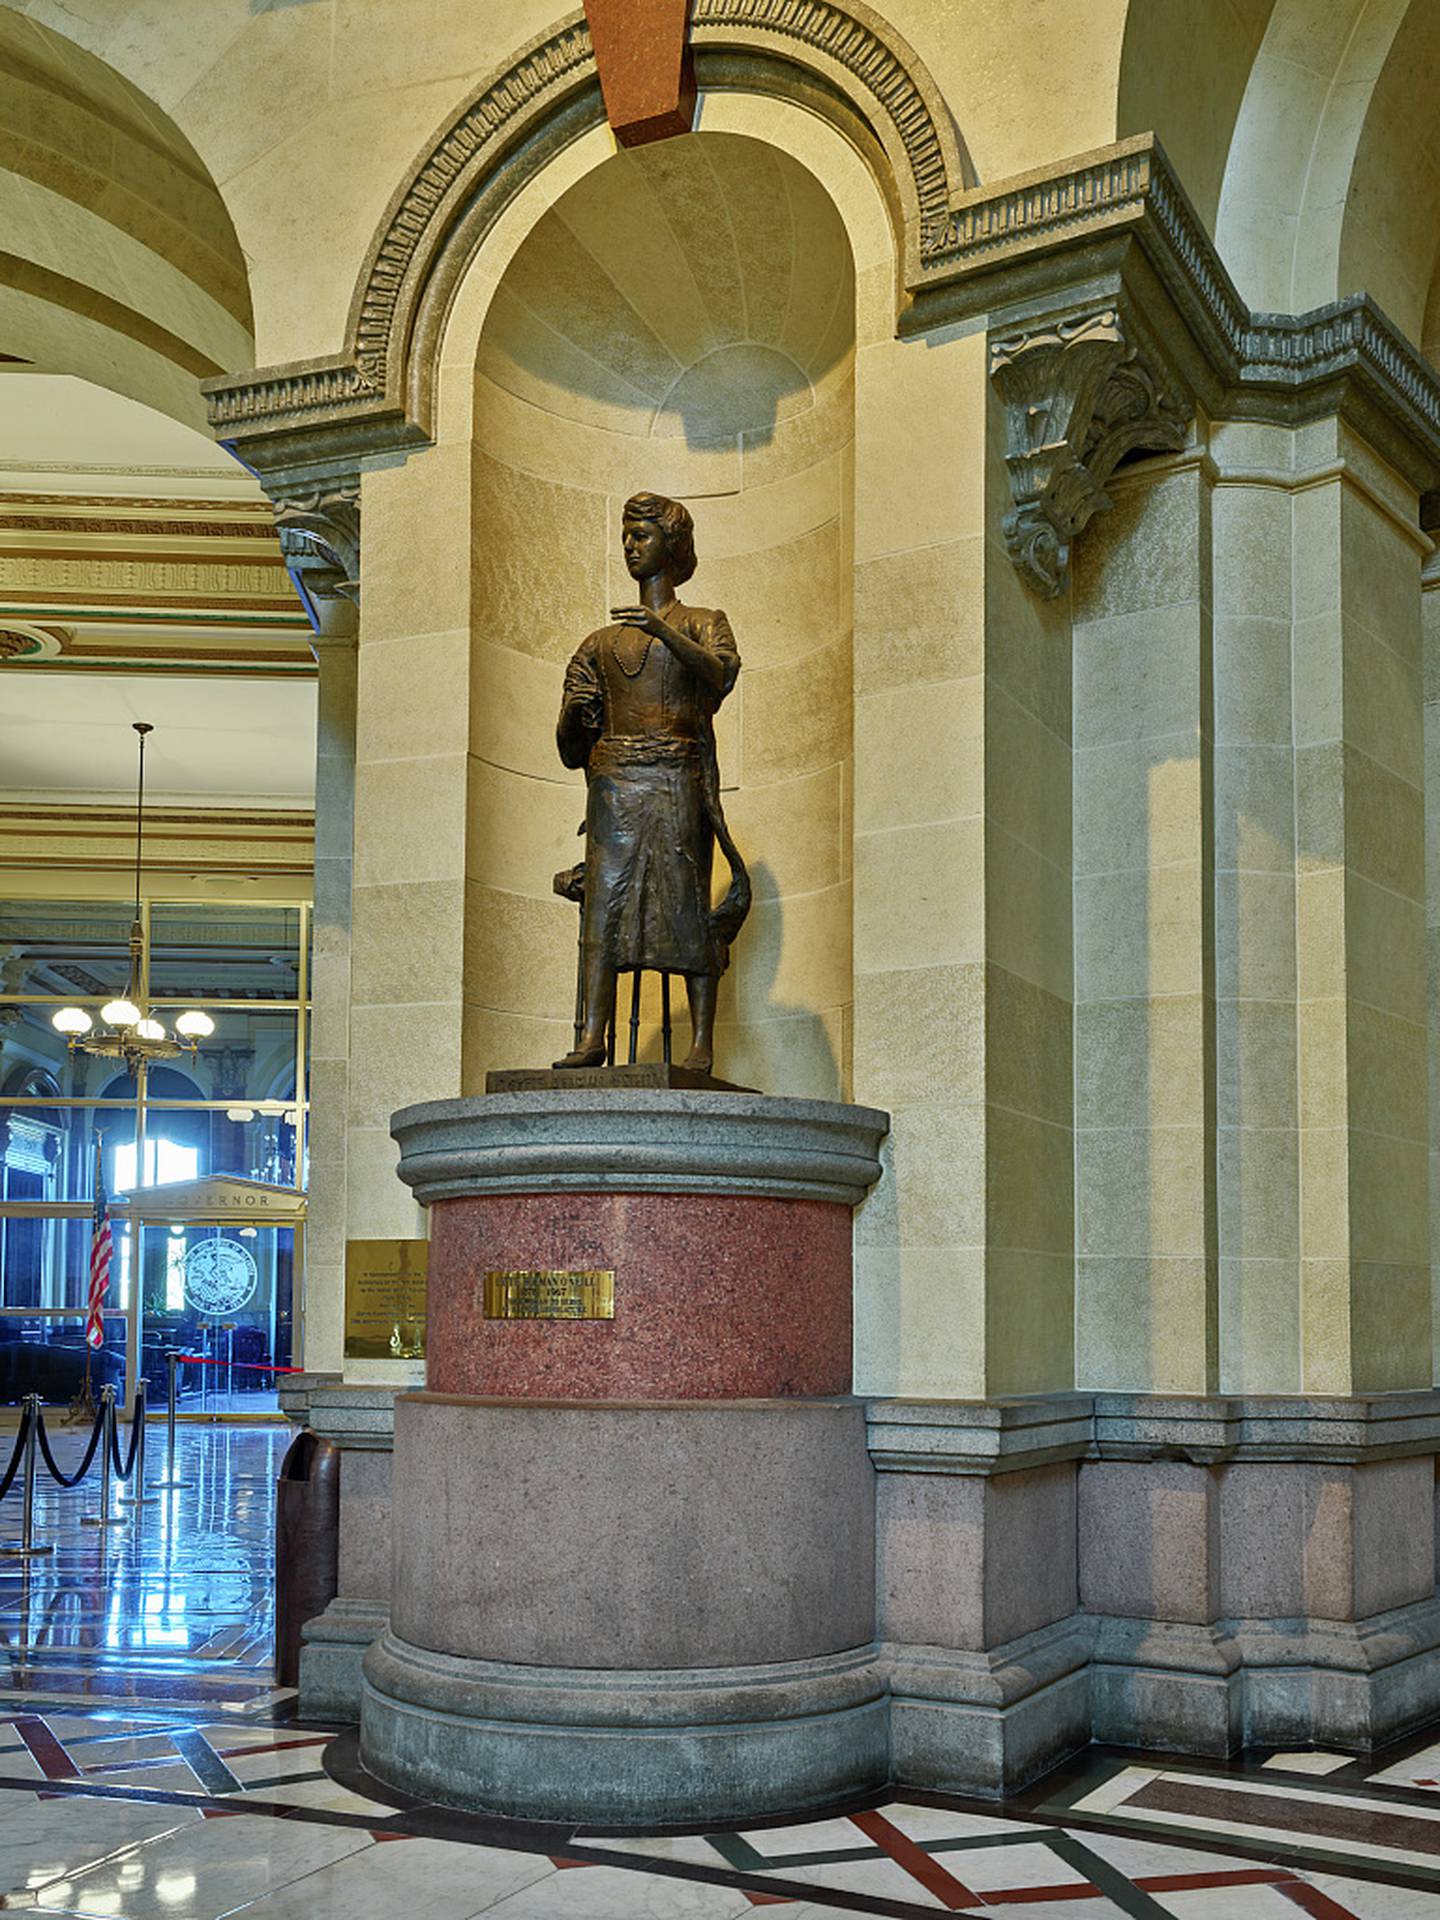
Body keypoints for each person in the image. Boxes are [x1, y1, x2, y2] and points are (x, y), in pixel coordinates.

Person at [553, 491, 749, 1073]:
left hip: (678, 777)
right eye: (626, 536)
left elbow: (720, 676)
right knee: (603, 906)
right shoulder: (599, 643)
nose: (630, 546)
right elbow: (569, 749)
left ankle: (700, 1045)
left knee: (687, 899)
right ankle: (593, 1037)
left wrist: (664, 634)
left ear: (672, 544)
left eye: (642, 535)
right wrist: (575, 712)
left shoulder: (703, 622)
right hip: (616, 785)